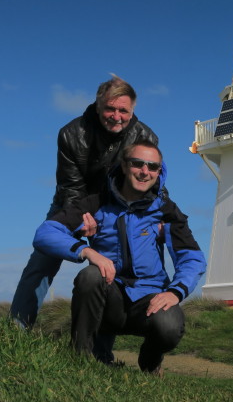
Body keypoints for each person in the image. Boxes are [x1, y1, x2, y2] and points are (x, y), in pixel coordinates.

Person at [11, 75, 159, 360]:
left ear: (132, 110)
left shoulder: (146, 137)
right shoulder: (71, 133)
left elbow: (147, 182)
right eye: (110, 109)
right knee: (42, 260)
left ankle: (100, 353)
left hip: (118, 209)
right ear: (98, 105)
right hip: (72, 202)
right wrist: (82, 220)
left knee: (111, 273)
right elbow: (71, 185)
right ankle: (16, 332)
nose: (116, 116)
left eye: (123, 111)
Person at [33, 141, 206, 373]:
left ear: (159, 172)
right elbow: (45, 233)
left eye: (153, 167)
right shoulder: (96, 203)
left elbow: (192, 258)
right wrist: (86, 251)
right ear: (124, 166)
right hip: (108, 295)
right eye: (138, 164)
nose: (145, 172)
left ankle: (150, 362)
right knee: (90, 276)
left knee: (170, 326)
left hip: (148, 300)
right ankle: (81, 360)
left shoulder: (166, 211)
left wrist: (175, 291)